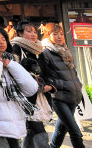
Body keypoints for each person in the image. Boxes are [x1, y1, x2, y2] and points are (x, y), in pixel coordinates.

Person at [41, 23, 86, 148]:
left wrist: (78, 85)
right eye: (54, 34)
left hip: (72, 96)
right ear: (48, 36)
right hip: (59, 97)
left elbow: (73, 72)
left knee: (61, 130)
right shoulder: (45, 52)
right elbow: (45, 76)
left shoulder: (65, 50)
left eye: (61, 34)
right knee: (75, 131)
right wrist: (59, 84)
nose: (59, 37)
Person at [11, 20, 54, 148]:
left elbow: (47, 70)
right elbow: (14, 71)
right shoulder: (15, 47)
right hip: (25, 96)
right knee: (38, 130)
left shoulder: (39, 49)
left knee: (30, 131)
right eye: (28, 31)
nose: (33, 34)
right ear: (20, 33)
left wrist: (49, 85)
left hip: (40, 94)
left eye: (34, 32)